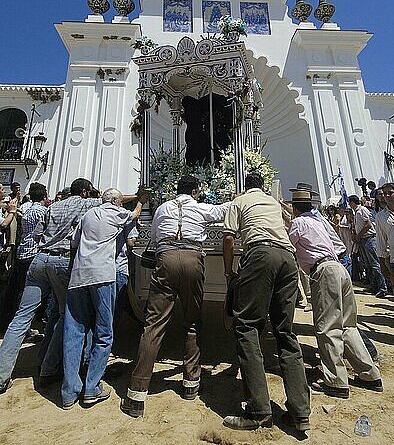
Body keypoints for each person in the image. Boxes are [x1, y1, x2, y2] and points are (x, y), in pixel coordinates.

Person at [0, 178, 141, 394]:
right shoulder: (90, 205)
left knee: (21, 318)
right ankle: (50, 368)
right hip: (64, 262)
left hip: (39, 260)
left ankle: (3, 375)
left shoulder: (52, 206)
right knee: (69, 318)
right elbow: (112, 201)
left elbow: (37, 234)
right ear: (85, 192)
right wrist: (139, 196)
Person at [121, 175, 229, 418]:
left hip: (166, 260)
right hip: (192, 260)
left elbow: (156, 236)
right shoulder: (200, 207)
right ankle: (191, 383)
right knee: (192, 320)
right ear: (195, 190)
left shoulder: (162, 208)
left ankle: (137, 394)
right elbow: (223, 211)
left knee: (153, 325)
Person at [222, 174, 310, 433]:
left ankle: (259, 410)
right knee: (285, 332)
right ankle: (300, 412)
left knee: (247, 327)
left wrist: (229, 273)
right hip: (287, 258)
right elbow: (289, 222)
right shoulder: (273, 202)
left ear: (243, 187)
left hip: (259, 255)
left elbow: (228, 238)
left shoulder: (238, 202)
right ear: (262, 186)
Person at [288, 188, 382, 399]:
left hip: (323, 271)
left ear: (294, 208)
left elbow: (288, 246)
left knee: (327, 327)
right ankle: (369, 374)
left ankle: (336, 380)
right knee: (348, 325)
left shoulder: (298, 223)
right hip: (338, 269)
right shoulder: (318, 222)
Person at [61, 188, 145, 409]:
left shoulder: (88, 215)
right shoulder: (115, 213)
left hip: (79, 275)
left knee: (74, 332)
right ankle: (91, 387)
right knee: (104, 332)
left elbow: (74, 243)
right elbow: (135, 214)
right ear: (117, 202)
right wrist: (141, 201)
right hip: (102, 275)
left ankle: (69, 391)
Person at [0, 183, 48, 333]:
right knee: (28, 293)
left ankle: (9, 322)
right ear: (44, 197)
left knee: (16, 289)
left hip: (22, 252)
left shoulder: (26, 208)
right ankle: (23, 328)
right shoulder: (44, 211)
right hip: (33, 253)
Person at [349, 195, 387, 297]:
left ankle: (382, 287)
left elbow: (368, 224)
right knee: (368, 265)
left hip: (368, 238)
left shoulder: (362, 210)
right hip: (363, 240)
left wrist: (359, 235)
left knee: (374, 264)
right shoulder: (356, 212)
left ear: (352, 202)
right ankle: (374, 286)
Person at [376, 183, 394, 308]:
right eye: (385, 194)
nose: (387, 196)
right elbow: (381, 241)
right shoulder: (381, 217)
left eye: (390, 193)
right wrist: (382, 265)